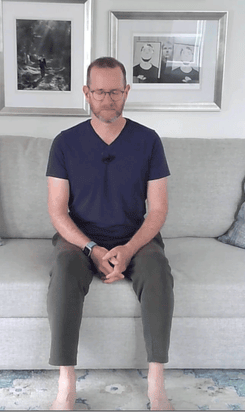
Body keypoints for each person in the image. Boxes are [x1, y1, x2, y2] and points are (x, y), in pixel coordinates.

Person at [45, 56, 174, 410]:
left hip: (135, 235)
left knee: (158, 271)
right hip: (79, 237)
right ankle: (66, 384)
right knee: (66, 269)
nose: (108, 99)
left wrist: (129, 249)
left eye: (115, 91)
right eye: (99, 92)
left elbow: (158, 209)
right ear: (86, 93)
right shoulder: (65, 142)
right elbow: (57, 210)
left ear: (126, 91)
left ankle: (157, 386)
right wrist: (92, 249)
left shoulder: (148, 140)